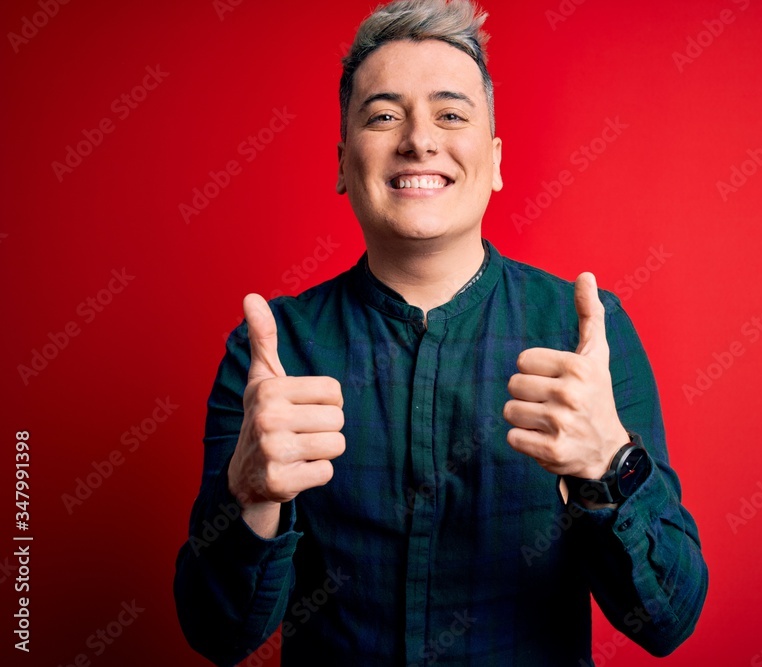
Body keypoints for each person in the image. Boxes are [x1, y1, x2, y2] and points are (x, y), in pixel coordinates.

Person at [173, 1, 708, 664]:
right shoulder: (272, 352)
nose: (419, 140)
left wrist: (611, 465)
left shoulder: (585, 337)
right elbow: (216, 635)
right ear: (343, 163)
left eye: (451, 114)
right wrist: (248, 497)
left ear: (495, 158)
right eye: (384, 114)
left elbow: (667, 619)